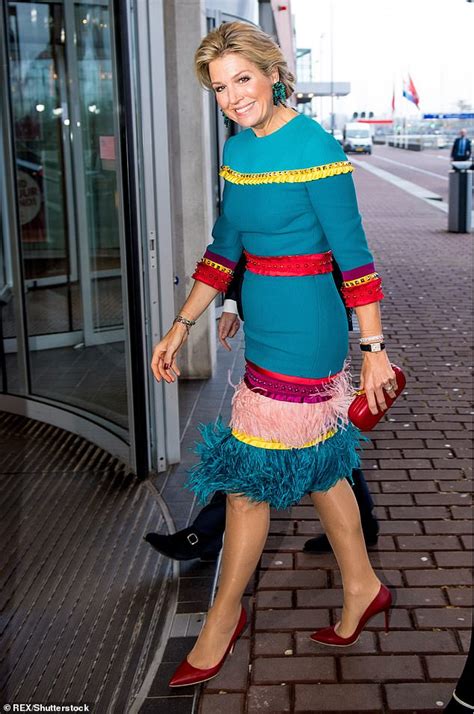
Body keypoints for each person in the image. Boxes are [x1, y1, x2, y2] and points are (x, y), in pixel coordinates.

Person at [151, 21, 396, 688]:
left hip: (311, 326)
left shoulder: (316, 147)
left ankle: (222, 619)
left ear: (272, 72)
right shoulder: (238, 151)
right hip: (264, 320)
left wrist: (373, 350)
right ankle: (362, 585)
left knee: (245, 487)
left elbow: (356, 257)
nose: (232, 97)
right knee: (319, 469)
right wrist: (184, 323)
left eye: (242, 80)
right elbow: (224, 246)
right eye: (219, 87)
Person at [145, 256, 380, 561]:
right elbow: (239, 240)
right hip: (281, 321)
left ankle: (206, 535)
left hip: (309, 318)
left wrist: (374, 347)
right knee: (319, 434)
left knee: (267, 439)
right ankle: (362, 525)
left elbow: (350, 252)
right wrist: (230, 303)